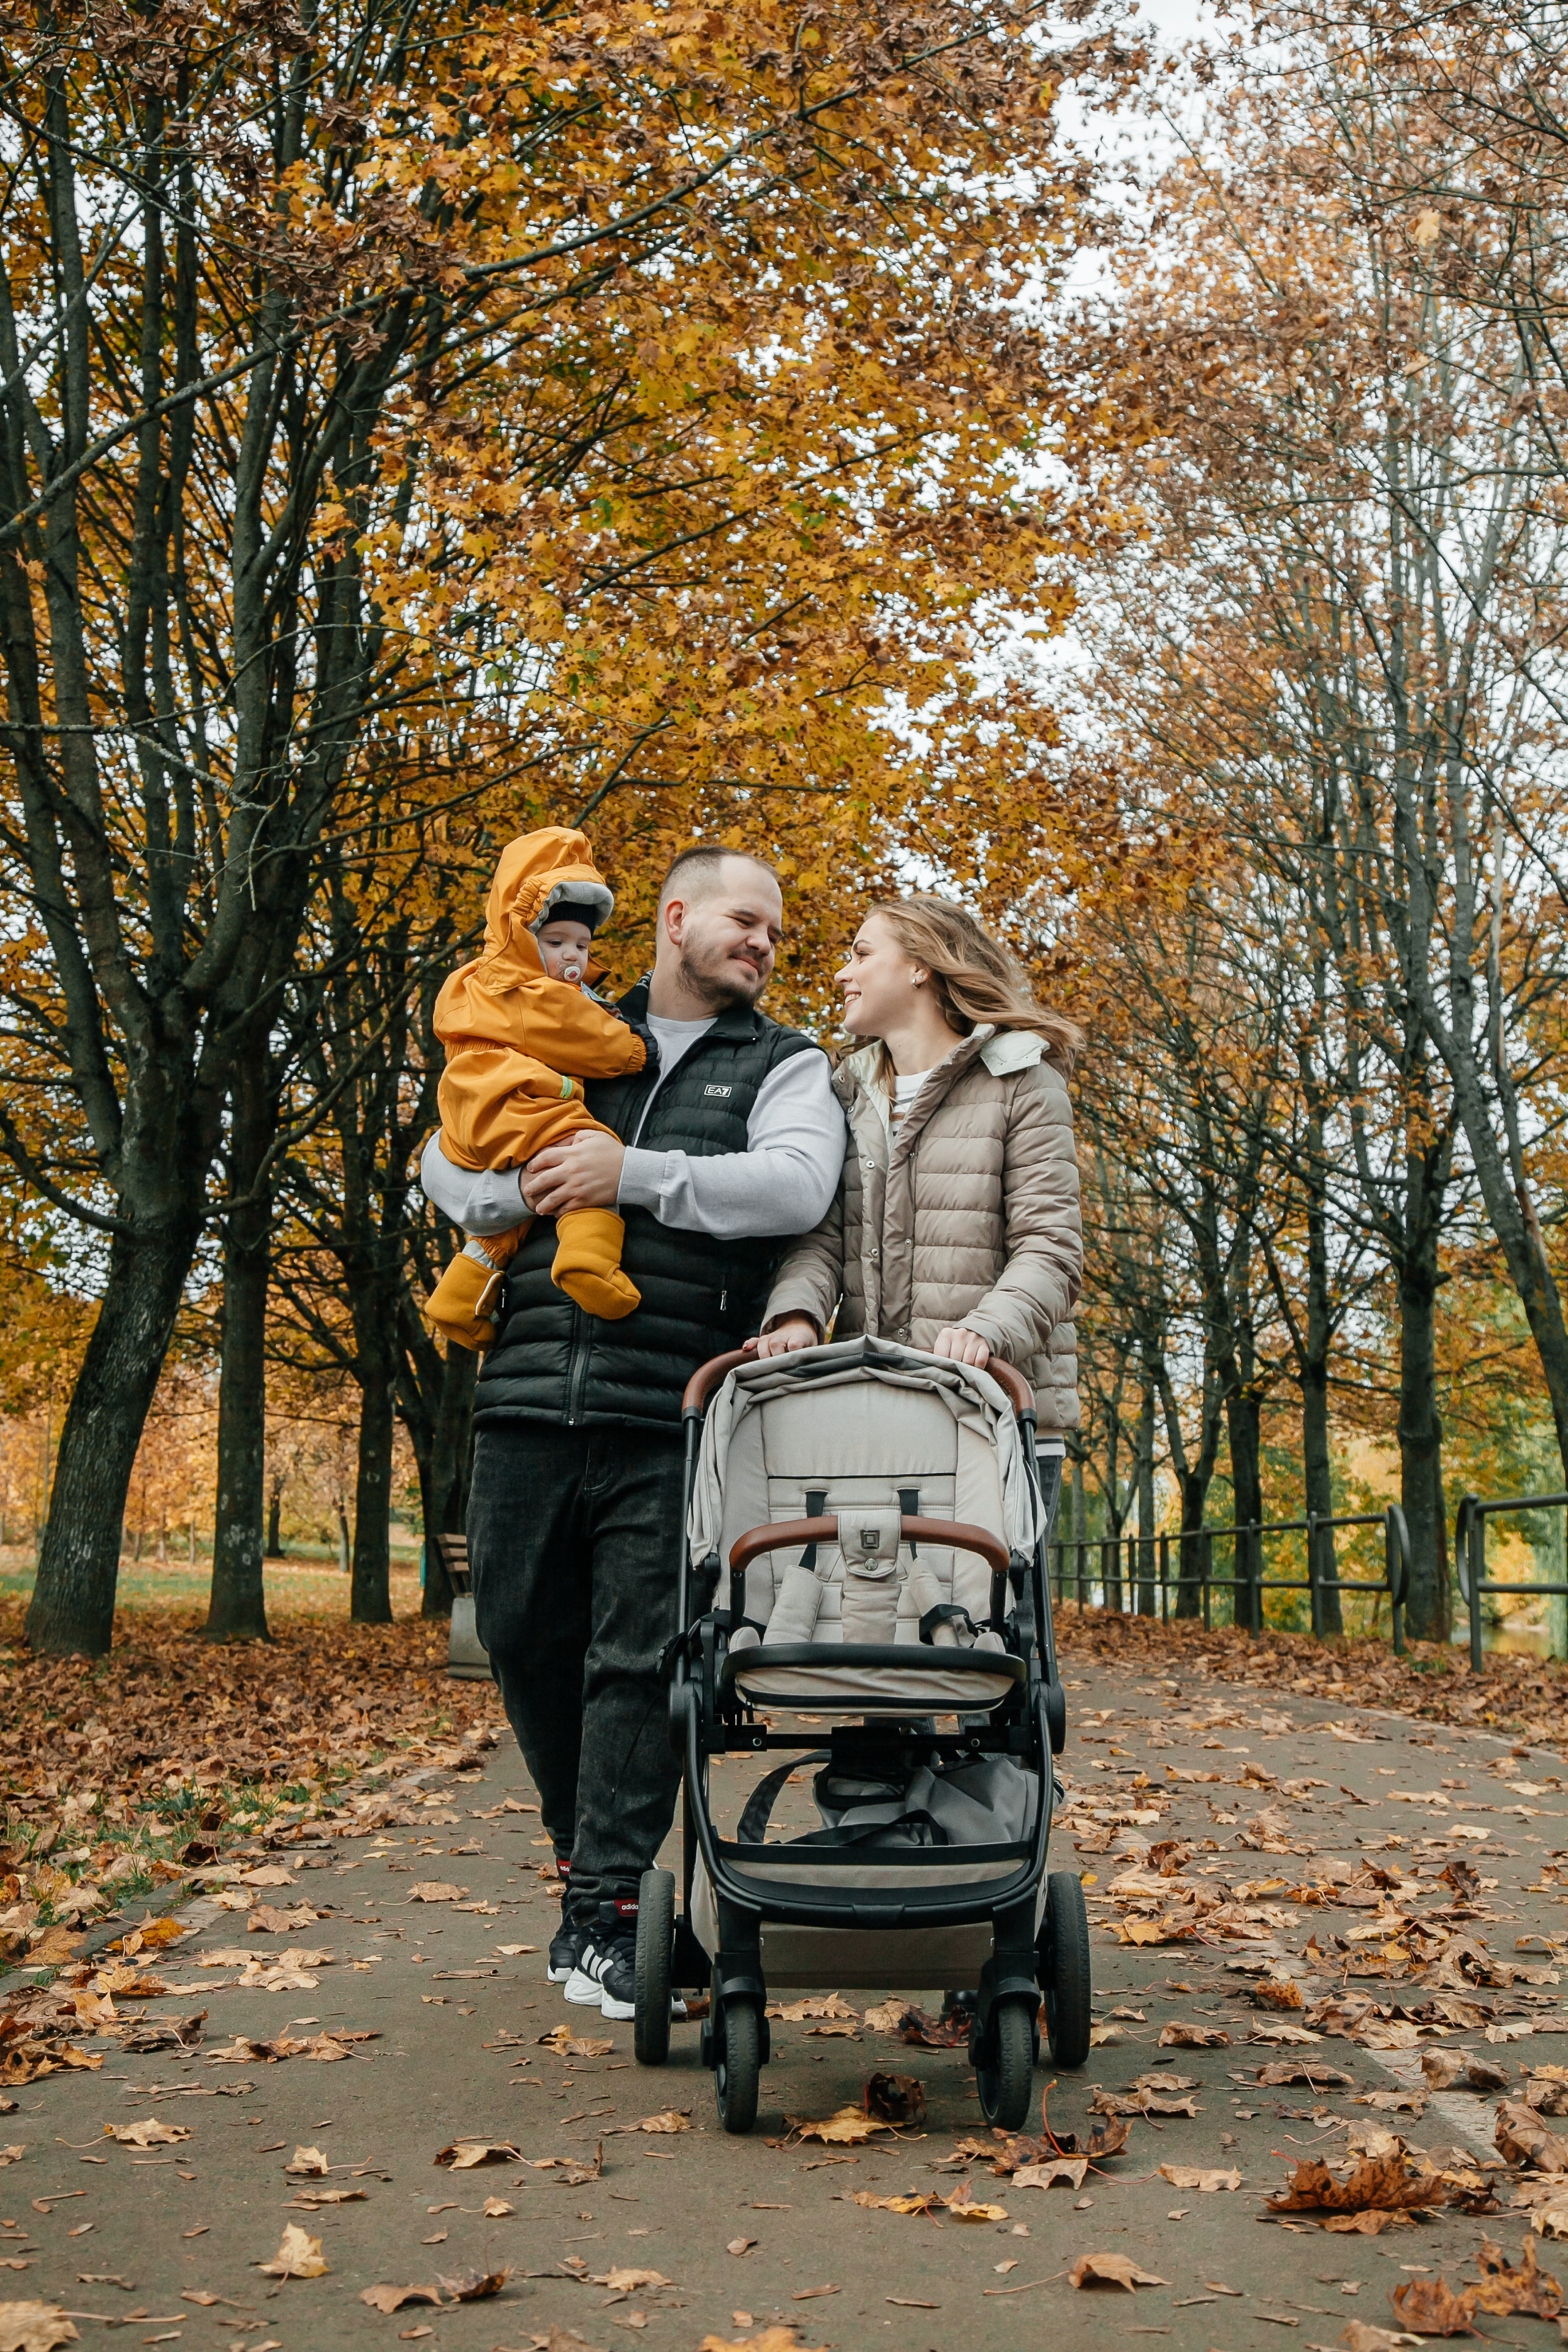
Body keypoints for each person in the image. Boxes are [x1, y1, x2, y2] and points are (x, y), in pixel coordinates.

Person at [418, 846, 845, 2018]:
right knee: (513, 1630)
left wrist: (635, 1173)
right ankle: (586, 1867)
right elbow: (448, 1156)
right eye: (743, 920)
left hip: (677, 1407)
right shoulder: (560, 1023)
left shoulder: (788, 1062)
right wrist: (516, 1196)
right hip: (525, 1387)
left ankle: (609, 1907)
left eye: (773, 931)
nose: (761, 943)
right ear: (673, 919)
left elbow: (797, 1189)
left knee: (636, 1658)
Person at [752, 894, 1084, 1532]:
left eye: (861, 954)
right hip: (869, 1411)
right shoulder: (843, 1093)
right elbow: (820, 1239)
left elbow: (1051, 1249)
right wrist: (796, 1314)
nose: (842, 974)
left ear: (919, 967)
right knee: (875, 1617)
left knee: (990, 1622)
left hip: (994, 1412)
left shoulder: (1022, 1081)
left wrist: (986, 1330)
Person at [423, 827, 650, 1351]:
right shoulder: (527, 990)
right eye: (555, 943)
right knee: (589, 1155)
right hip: (516, 1097)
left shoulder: (474, 984)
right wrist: (637, 1049)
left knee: (508, 1223)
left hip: (472, 1114)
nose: (572, 956)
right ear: (522, 935)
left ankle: (461, 1298)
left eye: (582, 944)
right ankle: (588, 1258)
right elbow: (588, 1040)